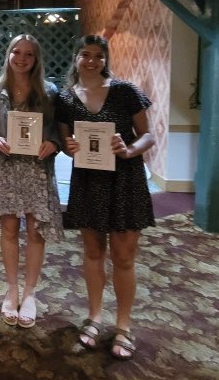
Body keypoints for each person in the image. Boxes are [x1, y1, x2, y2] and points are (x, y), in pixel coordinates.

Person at [56, 35, 155, 360]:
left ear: (105, 59)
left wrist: (129, 150)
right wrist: (69, 147)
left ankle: (124, 326)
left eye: (98, 56)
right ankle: (94, 317)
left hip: (125, 181)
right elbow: (66, 141)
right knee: (93, 252)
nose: (91, 61)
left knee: (124, 257)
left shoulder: (125, 91)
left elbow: (148, 135)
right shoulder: (66, 98)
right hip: (88, 182)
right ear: (76, 57)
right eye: (85, 54)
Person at [0, 34, 63, 329]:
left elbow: (58, 129)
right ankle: (12, 289)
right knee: (8, 229)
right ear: (8, 55)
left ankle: (29, 293)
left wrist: (53, 143)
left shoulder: (50, 91)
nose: (21, 58)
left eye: (28, 54)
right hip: (7, 167)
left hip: (37, 168)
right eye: (16, 52)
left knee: (35, 231)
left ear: (36, 59)